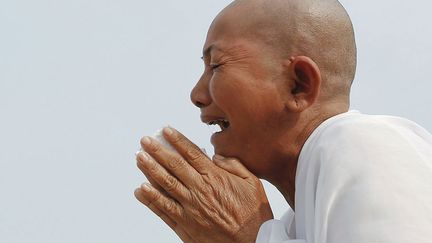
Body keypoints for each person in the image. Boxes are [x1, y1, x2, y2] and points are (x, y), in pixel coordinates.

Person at [134, 0, 432, 242]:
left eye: (217, 66)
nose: (197, 94)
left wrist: (251, 238)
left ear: (298, 84)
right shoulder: (294, 223)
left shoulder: (363, 143)